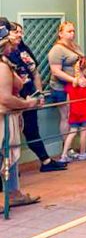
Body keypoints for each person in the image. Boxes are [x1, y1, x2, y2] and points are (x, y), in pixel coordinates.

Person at [5, 21, 66, 172]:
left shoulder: (24, 50)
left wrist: (39, 94)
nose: (19, 35)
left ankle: (45, 161)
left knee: (32, 129)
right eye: (15, 32)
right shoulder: (5, 56)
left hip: (30, 95)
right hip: (14, 99)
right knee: (11, 134)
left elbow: (35, 73)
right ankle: (10, 169)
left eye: (21, 32)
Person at [0, 25, 41, 207]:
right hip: (3, 120)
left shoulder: (5, 64)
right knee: (5, 156)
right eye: (10, 43)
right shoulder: (2, 67)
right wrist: (27, 104)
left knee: (7, 157)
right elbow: (5, 98)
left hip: (7, 118)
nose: (13, 46)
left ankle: (13, 193)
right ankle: (12, 194)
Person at [48, 22, 86, 156]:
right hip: (62, 88)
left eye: (73, 31)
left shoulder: (75, 46)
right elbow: (55, 71)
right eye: (68, 31)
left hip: (80, 87)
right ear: (60, 33)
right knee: (67, 117)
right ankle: (68, 149)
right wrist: (74, 80)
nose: (72, 34)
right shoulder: (57, 50)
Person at [60, 62, 86, 162]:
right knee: (83, 133)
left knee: (72, 132)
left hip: (74, 112)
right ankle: (82, 153)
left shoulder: (70, 85)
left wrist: (69, 112)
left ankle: (64, 154)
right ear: (85, 70)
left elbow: (68, 101)